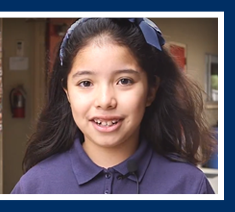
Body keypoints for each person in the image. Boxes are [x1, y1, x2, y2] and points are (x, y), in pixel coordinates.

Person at [11, 18, 216, 194]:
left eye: (124, 81)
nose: (105, 101)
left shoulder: (189, 186)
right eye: (86, 83)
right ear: (67, 93)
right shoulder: (35, 187)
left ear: (151, 91)